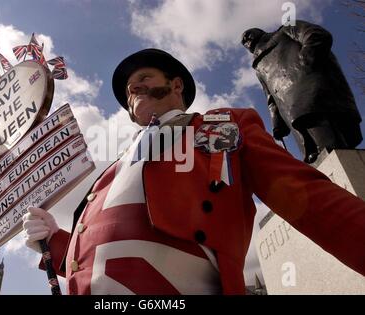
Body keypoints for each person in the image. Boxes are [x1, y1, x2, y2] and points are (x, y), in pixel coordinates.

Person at [22, 48, 365, 295]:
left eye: (143, 79)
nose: (133, 89)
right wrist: (53, 239)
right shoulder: (109, 171)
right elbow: (93, 257)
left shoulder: (223, 125)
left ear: (175, 86)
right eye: (129, 90)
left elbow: (311, 200)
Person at [241, 20, 362, 164]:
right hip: (290, 110)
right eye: (244, 41)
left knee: (332, 144)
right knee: (315, 156)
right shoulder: (259, 67)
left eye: (248, 35)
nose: (246, 40)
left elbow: (317, 35)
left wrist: (305, 62)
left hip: (313, 92)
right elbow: (270, 96)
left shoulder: (286, 29)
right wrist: (277, 122)